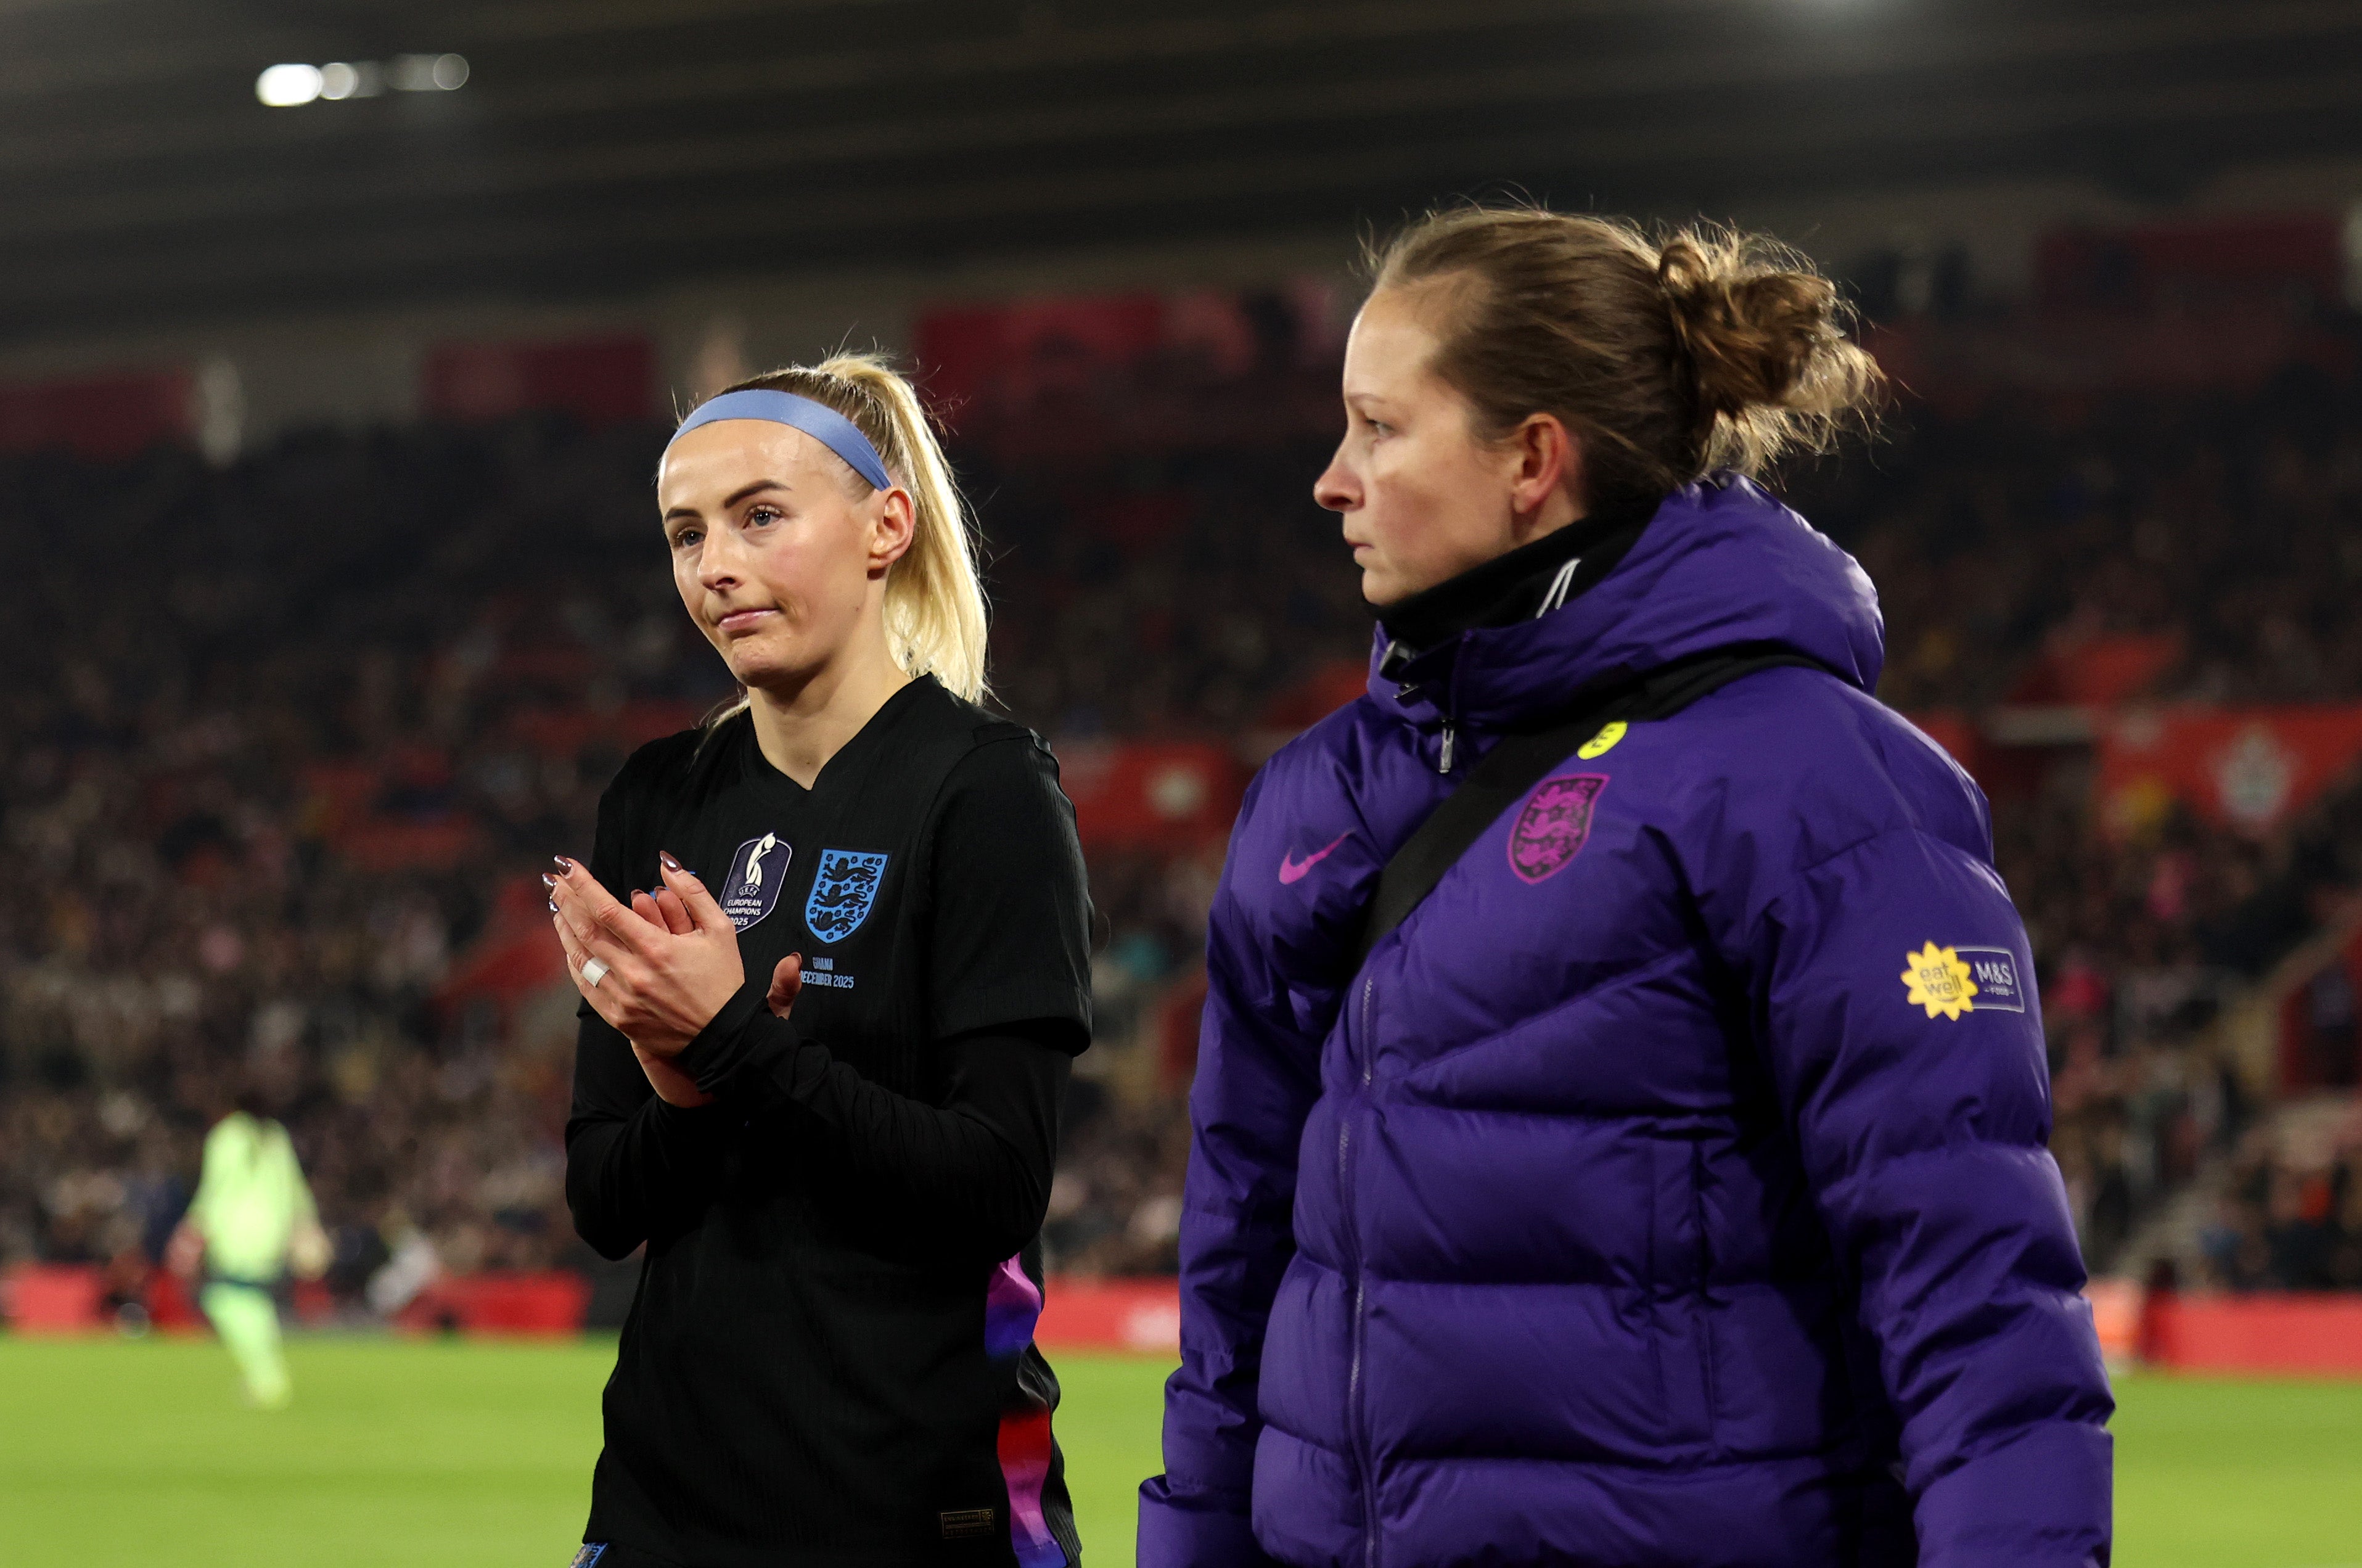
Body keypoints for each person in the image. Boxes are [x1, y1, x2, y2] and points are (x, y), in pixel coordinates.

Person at [1140, 208, 2113, 1566]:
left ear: (1533, 457)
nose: (1330, 478)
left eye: (1377, 427)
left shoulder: (1816, 783)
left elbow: (1971, 1284)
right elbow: (1235, 1253)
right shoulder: (1317, 797)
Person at [551, 355, 1093, 1568]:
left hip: (915, 1508)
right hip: (660, 1510)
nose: (714, 564)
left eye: (759, 515)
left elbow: (996, 1185)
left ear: (884, 525)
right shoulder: (655, 795)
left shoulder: (988, 791)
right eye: (685, 533)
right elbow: (603, 1201)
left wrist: (734, 1044)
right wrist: (686, 1088)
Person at [166, 1089, 330, 1408]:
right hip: (272, 1231)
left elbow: (215, 1190)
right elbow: (294, 1186)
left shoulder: (226, 1137)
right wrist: (306, 1226)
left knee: (222, 1298)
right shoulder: (276, 1136)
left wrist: (192, 1232)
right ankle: (265, 1373)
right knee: (250, 1299)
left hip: (236, 1231)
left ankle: (266, 1374)